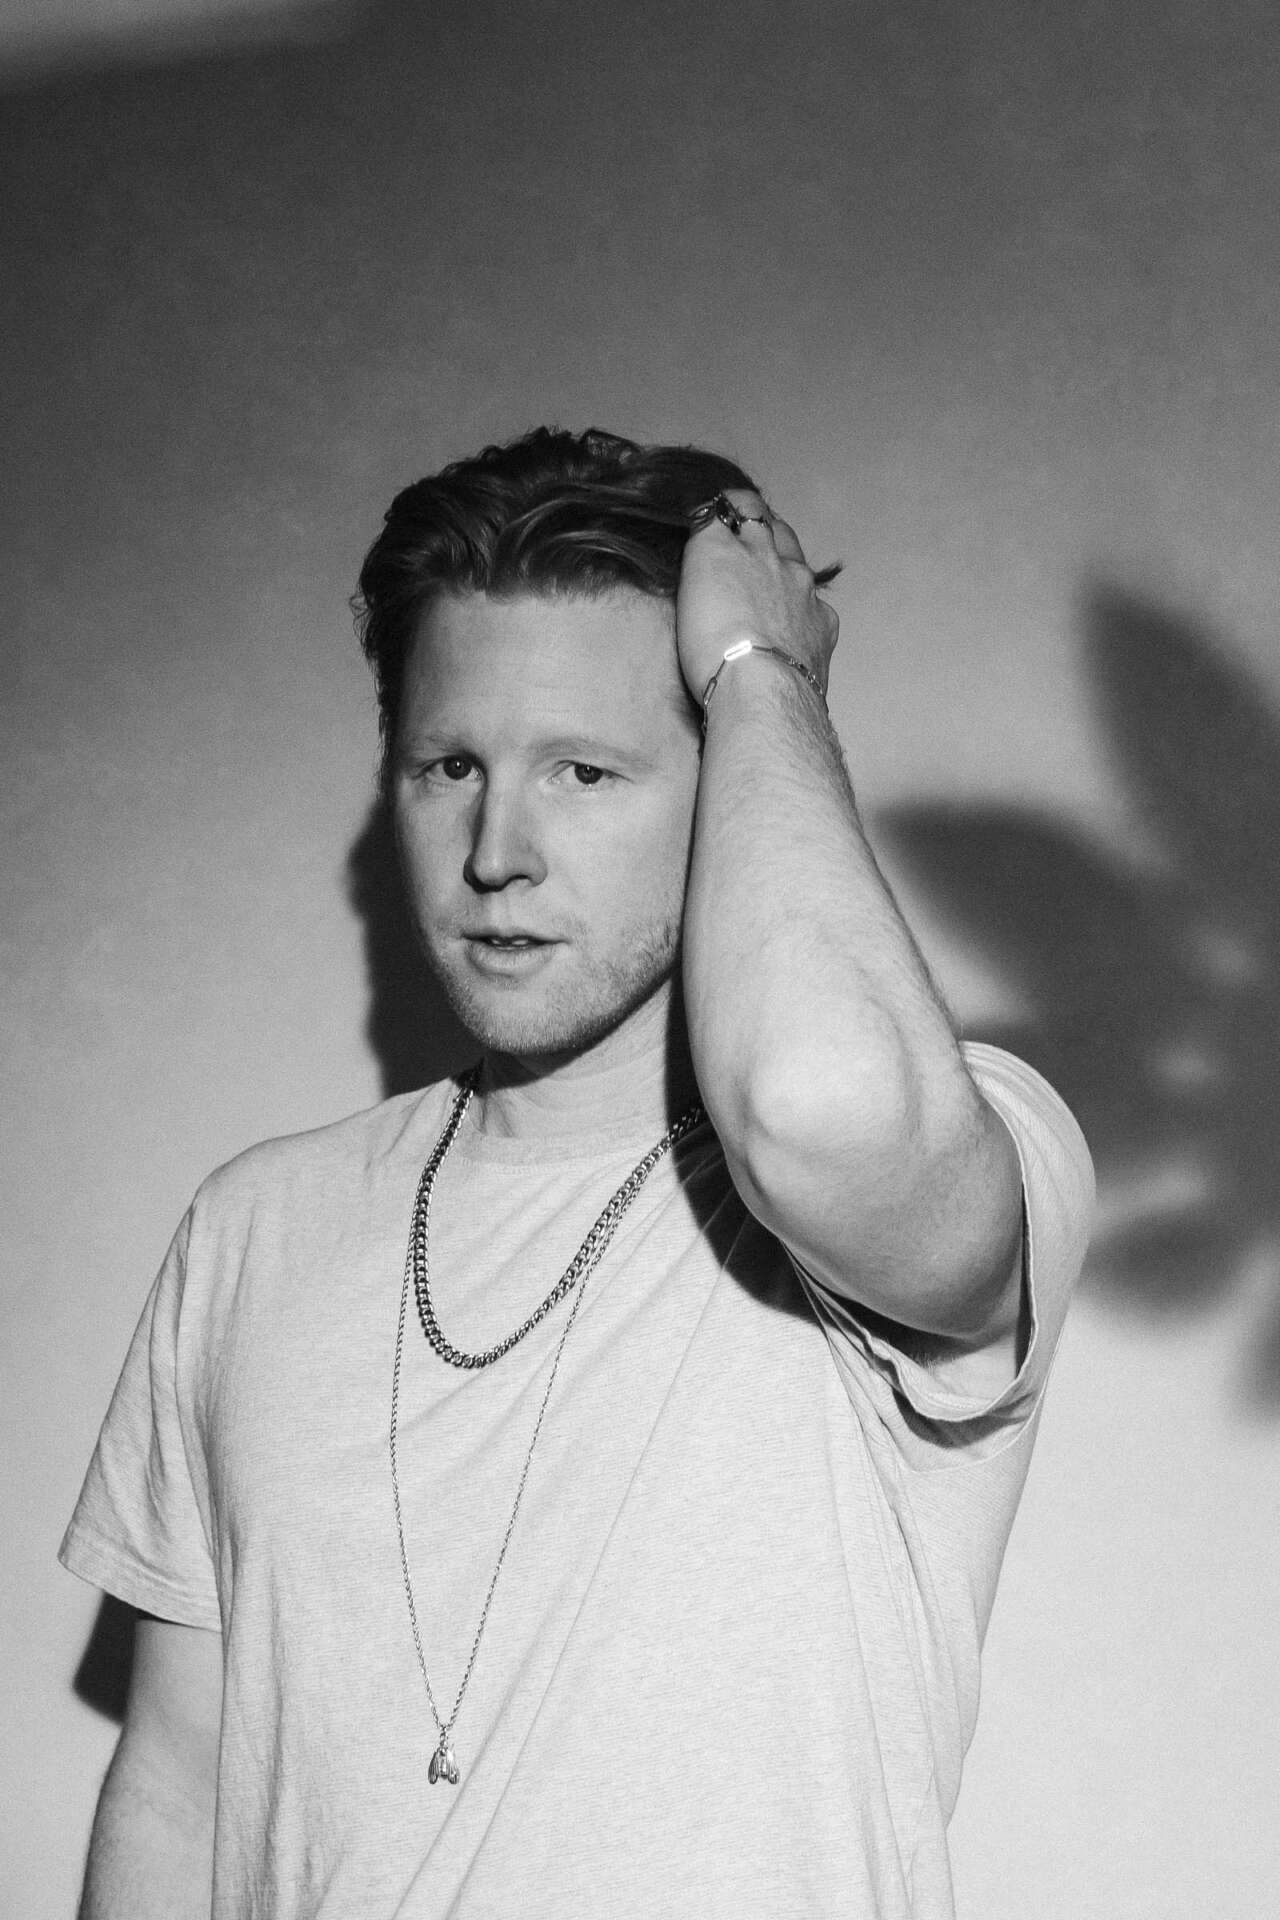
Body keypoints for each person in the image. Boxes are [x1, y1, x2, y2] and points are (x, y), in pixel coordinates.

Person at [61, 426, 1093, 1920]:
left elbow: (812, 1105)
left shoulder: (951, 1146)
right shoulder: (255, 1229)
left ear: (728, 786)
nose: (497, 850)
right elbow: (177, 1787)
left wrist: (762, 671)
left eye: (585, 773)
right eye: (450, 767)